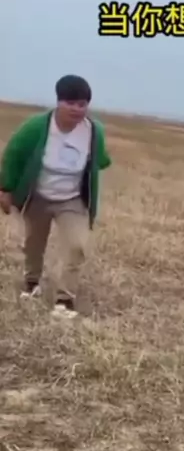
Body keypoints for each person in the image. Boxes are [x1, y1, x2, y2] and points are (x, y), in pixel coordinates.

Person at [0, 74, 111, 319]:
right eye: (70, 103)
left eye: (82, 104)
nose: (76, 109)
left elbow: (100, 158)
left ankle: (64, 301)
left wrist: (101, 162)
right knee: (33, 243)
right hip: (38, 196)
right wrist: (5, 188)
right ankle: (32, 283)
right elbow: (13, 154)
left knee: (77, 246)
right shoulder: (36, 126)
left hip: (73, 199)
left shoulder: (94, 131)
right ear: (58, 101)